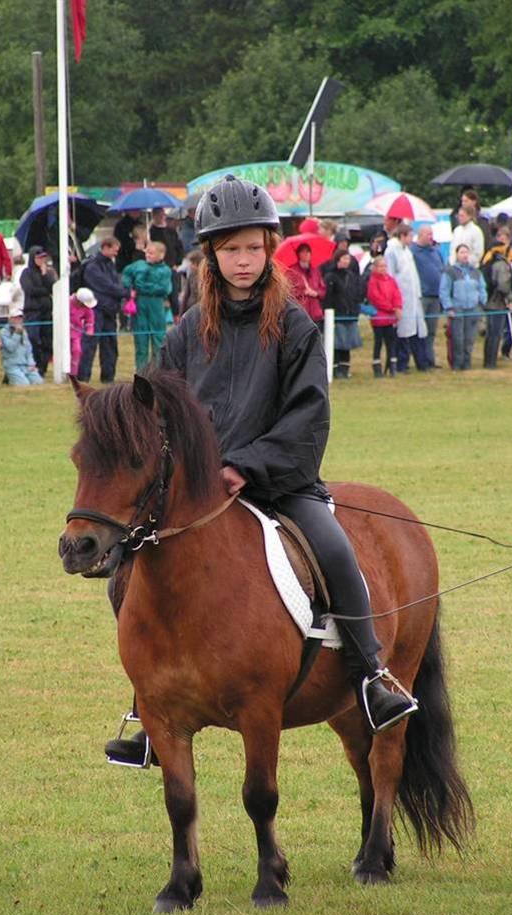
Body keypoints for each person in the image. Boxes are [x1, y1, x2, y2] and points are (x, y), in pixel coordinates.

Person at [105, 174, 417, 767]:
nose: (241, 260)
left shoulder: (296, 328)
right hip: (197, 496)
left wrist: (246, 465)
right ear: (210, 256)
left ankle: (373, 676)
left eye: (251, 247)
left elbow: (309, 418)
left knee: (335, 551)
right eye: (229, 250)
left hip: (279, 484)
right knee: (130, 570)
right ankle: (146, 706)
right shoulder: (185, 332)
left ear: (268, 248)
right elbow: (159, 409)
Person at [78, 236, 124, 383]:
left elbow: (114, 283)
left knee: (110, 345)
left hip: (109, 311)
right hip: (95, 310)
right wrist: (123, 292)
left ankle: (108, 376)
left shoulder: (110, 265)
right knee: (89, 344)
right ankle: (83, 376)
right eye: (114, 250)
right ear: (105, 247)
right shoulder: (92, 266)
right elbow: (104, 286)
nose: (116, 253)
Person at [122, 241, 173, 371]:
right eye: (147, 252)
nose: (148, 255)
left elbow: (164, 289)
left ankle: (157, 371)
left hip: (156, 306)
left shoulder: (165, 270)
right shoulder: (138, 265)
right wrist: (129, 288)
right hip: (140, 305)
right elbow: (126, 274)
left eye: (151, 253)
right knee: (141, 341)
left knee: (158, 340)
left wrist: (142, 287)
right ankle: (141, 371)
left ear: (161, 255)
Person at [384, 224, 428, 372]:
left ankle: (419, 361)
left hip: (412, 298)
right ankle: (400, 363)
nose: (412, 238)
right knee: (402, 332)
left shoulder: (407, 252)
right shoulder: (392, 251)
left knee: (415, 330)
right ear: (402, 236)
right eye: (410, 235)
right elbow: (390, 275)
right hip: (401, 298)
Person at [439, 244, 488, 371]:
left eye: (466, 252)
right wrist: (449, 307)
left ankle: (467, 363)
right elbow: (444, 291)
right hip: (457, 310)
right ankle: (457, 364)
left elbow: (482, 289)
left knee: (469, 339)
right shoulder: (450, 271)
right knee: (458, 339)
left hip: (473, 309)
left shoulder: (476, 272)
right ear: (457, 255)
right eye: (462, 252)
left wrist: (481, 304)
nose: (465, 255)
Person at [323, 248, 363, 378]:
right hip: (336, 315)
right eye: (344, 258)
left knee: (347, 343)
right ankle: (335, 369)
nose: (347, 261)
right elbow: (327, 297)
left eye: (348, 259)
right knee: (337, 343)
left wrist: (355, 310)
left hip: (350, 314)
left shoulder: (351, 276)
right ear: (338, 259)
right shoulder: (330, 277)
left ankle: (345, 369)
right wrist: (328, 313)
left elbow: (356, 293)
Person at [480, 226, 512, 368]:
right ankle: (491, 363)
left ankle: (487, 360)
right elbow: (503, 285)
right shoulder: (501, 264)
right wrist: (510, 298)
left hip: (489, 301)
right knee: (495, 333)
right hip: (497, 302)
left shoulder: (488, 261)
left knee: (490, 333)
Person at [410, 225, 444, 367]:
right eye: (428, 234)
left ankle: (430, 359)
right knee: (420, 330)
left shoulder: (436, 251)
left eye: (432, 234)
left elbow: (442, 268)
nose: (431, 237)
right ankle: (420, 359)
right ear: (420, 235)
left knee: (431, 330)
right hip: (422, 296)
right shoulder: (413, 252)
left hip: (436, 296)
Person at [20, 246, 57, 377]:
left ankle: (43, 367)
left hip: (46, 311)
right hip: (33, 312)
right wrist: (44, 291)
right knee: (33, 339)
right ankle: (34, 364)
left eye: (43, 257)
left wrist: (45, 274)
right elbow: (30, 290)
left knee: (47, 340)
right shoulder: (26, 273)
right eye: (38, 257)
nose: (41, 260)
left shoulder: (48, 272)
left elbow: (53, 287)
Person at [367, 254, 402, 377]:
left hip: (390, 318)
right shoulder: (373, 281)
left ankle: (392, 366)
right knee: (378, 342)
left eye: (385, 266)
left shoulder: (391, 280)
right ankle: (377, 367)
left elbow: (397, 294)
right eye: (380, 266)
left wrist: (398, 307)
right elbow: (376, 298)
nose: (383, 268)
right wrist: (391, 308)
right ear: (375, 267)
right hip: (379, 318)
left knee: (391, 342)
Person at [0, 307, 44, 385]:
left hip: (25, 365)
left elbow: (29, 350)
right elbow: (10, 347)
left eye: (20, 318)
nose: (18, 320)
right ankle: (10, 378)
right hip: (12, 365)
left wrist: (31, 363)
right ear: (10, 319)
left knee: (39, 382)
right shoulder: (3, 332)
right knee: (24, 384)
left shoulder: (24, 332)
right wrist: (17, 333)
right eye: (15, 318)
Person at [286, 243, 326, 329]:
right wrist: (303, 292)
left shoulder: (315, 271)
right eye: (303, 252)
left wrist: (316, 293)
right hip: (300, 313)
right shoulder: (291, 272)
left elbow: (323, 291)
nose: (306, 254)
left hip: (316, 315)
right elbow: (288, 292)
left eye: (308, 252)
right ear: (298, 254)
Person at [70, 286, 97, 379]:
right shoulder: (67, 303)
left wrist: (89, 329)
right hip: (64, 333)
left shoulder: (86, 308)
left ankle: (73, 374)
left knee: (77, 350)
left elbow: (90, 319)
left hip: (77, 334)